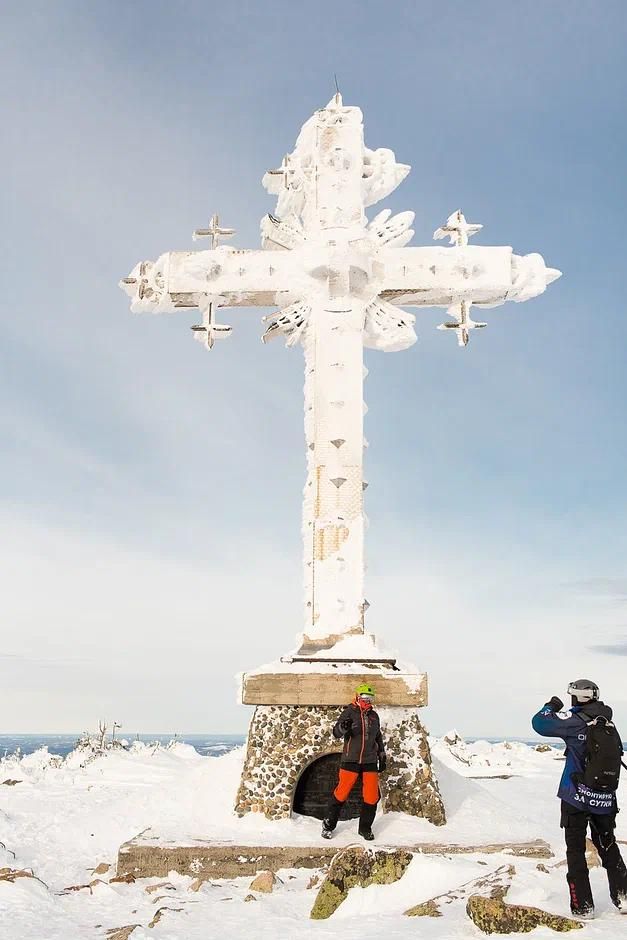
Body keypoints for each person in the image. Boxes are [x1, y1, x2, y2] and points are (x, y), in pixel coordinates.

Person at [532, 679, 627, 919]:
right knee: (608, 845)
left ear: (576, 698)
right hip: (605, 800)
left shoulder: (575, 723)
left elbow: (540, 723)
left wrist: (551, 705)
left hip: (576, 798)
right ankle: (624, 896)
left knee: (575, 850)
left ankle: (583, 905)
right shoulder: (609, 724)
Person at [321, 683, 386, 841]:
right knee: (341, 793)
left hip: (369, 760)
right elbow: (336, 732)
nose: (367, 701)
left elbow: (377, 737)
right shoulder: (349, 712)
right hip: (350, 760)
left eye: (370, 699)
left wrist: (382, 754)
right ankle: (328, 825)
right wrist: (343, 728)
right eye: (364, 698)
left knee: (371, 796)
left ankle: (365, 828)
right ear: (357, 697)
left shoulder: (374, 716)